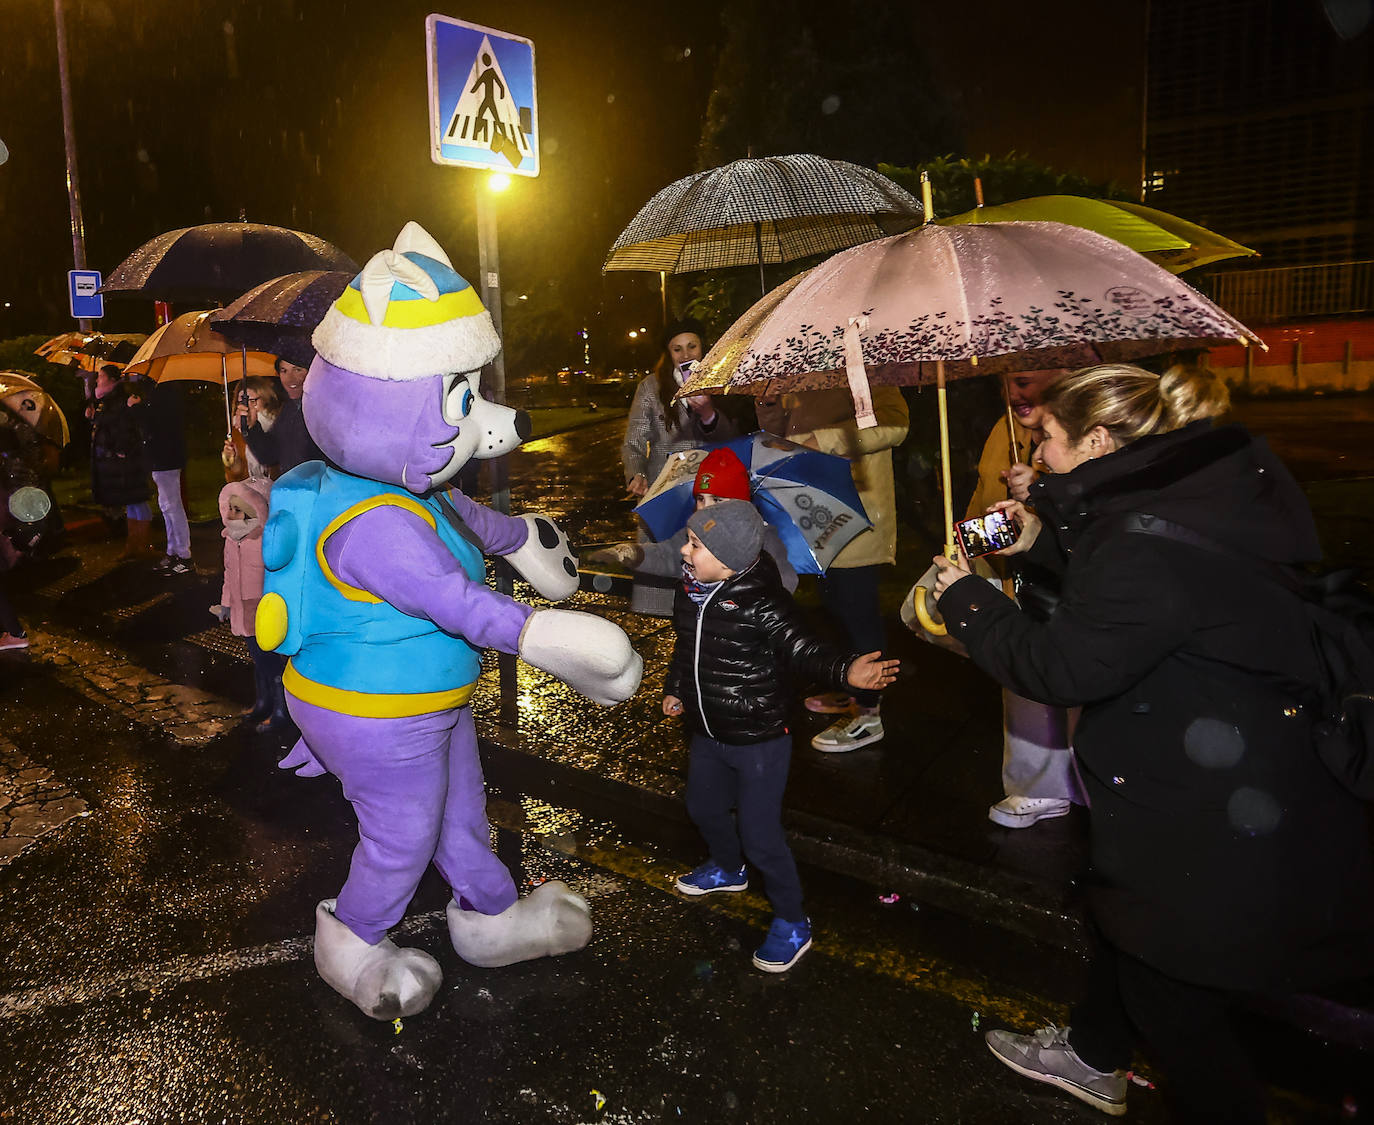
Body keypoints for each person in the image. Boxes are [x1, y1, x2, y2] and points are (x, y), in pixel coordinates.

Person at [931, 363, 1374, 1122]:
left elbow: (1063, 663)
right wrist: (1042, 538)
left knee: (1174, 1002)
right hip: (1224, 766)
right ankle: (1096, 1052)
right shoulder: (1173, 496)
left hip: (1213, 799)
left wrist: (965, 600)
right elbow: (1126, 598)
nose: (1039, 457)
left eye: (1051, 442)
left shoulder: (1143, 542)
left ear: (1100, 439)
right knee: (1129, 924)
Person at [666, 500, 899, 973]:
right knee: (703, 808)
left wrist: (847, 669)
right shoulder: (692, 591)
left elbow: (804, 649)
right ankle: (728, 869)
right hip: (708, 730)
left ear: (730, 559)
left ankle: (793, 921)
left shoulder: (761, 601)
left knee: (761, 836)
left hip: (759, 738)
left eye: (696, 545)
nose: (685, 553)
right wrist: (675, 690)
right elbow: (685, 647)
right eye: (689, 542)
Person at [756, 386, 909, 752]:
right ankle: (849, 686)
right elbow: (781, 434)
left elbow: (896, 426)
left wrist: (820, 439)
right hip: (810, 509)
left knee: (858, 613)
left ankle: (869, 713)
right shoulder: (801, 364)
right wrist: (769, 404)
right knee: (835, 607)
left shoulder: (867, 365)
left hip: (855, 510)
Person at [965, 369, 1084, 828]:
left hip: (1070, 583)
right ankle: (1039, 787)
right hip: (1016, 576)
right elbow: (983, 494)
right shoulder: (1004, 428)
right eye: (1010, 381)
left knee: (1077, 686)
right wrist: (969, 546)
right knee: (1024, 683)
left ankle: (1091, 784)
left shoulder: (1084, 428)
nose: (1015, 391)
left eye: (1028, 379)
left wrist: (1040, 486)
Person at [621, 319, 740, 615]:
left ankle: (704, 624)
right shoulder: (651, 387)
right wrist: (636, 472)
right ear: (668, 353)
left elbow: (732, 438)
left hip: (709, 495)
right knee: (666, 582)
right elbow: (634, 441)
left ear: (704, 347)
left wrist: (708, 412)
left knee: (708, 578)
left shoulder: (721, 382)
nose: (685, 354)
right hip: (663, 495)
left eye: (692, 346)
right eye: (677, 349)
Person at [588, 447, 799, 593]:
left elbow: (786, 582)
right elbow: (668, 555)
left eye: (717, 499)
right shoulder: (696, 534)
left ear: (740, 502)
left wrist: (746, 587)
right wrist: (633, 553)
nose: (705, 507)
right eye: (700, 498)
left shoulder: (760, 539)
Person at [215, 477, 290, 733]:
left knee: (270, 661)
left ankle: (282, 710)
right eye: (230, 508)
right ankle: (263, 702)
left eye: (239, 509)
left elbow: (277, 576)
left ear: (254, 512)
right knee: (258, 660)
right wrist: (226, 603)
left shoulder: (263, 540)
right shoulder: (230, 538)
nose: (231, 513)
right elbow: (228, 573)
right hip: (241, 609)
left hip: (262, 610)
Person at [87, 365, 154, 559]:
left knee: (137, 500)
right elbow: (107, 423)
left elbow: (123, 424)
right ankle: (133, 544)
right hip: (118, 461)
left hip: (126, 460)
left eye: (101, 376)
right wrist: (93, 417)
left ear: (110, 379)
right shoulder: (104, 400)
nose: (98, 380)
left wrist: (121, 450)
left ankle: (142, 544)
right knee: (131, 501)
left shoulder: (118, 398)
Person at [137, 379, 193, 576]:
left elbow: (157, 424)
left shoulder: (163, 393)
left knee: (172, 507)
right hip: (162, 458)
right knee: (166, 506)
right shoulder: (161, 391)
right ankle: (173, 551)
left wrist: (137, 408)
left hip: (165, 458)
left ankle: (184, 556)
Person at [235, 357, 321, 476]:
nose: (290, 379)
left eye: (298, 370)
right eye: (284, 371)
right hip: (293, 490)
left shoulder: (324, 407)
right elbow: (269, 455)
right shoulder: (288, 410)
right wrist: (252, 427)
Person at [222, 376, 285, 482]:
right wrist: (233, 460)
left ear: (265, 399)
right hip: (251, 489)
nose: (247, 407)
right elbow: (238, 475)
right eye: (242, 402)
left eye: (252, 401)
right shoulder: (237, 431)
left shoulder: (279, 424)